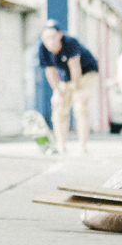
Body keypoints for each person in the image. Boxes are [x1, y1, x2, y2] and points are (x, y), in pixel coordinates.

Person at [38, 21, 100, 154]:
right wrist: (57, 92)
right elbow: (50, 72)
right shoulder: (42, 48)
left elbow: (75, 67)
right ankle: (61, 145)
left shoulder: (70, 42)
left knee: (80, 105)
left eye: (53, 37)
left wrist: (77, 90)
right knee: (59, 107)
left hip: (86, 72)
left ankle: (82, 146)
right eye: (47, 38)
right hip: (66, 76)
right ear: (43, 38)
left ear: (60, 35)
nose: (51, 41)